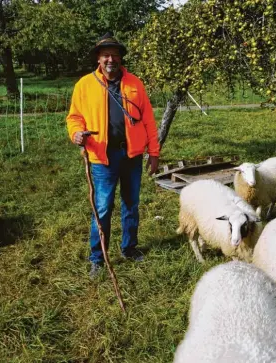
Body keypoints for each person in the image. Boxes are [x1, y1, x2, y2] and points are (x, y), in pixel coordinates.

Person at [66, 32, 160, 277]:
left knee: (131, 204)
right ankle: (98, 257)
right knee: (103, 208)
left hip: (132, 157)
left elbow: (148, 119)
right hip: (101, 158)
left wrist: (154, 152)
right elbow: (74, 117)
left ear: (120, 59)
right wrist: (76, 134)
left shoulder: (135, 84)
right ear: (98, 58)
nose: (111, 60)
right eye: (106, 55)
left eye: (115, 55)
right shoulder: (84, 85)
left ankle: (129, 248)